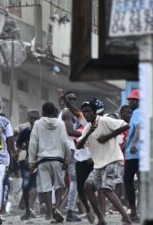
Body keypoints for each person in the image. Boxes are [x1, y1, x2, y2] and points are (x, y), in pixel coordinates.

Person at [76, 100, 132, 225]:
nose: (86, 114)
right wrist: (89, 132)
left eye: (89, 111)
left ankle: (127, 220)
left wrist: (108, 136)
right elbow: (79, 145)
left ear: (94, 111)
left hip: (113, 160)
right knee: (88, 187)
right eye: (84, 112)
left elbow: (125, 125)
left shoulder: (105, 120)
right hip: (99, 164)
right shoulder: (87, 127)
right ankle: (101, 219)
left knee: (106, 190)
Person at [29, 102, 71, 223]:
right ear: (54, 112)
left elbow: (33, 143)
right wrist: (67, 159)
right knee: (59, 186)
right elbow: (64, 142)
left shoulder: (37, 124)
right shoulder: (61, 124)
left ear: (42, 112)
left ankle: (51, 215)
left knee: (46, 188)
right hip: (57, 160)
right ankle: (57, 208)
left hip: (42, 161)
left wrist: (32, 162)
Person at [58, 91, 85, 222]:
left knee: (59, 181)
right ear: (65, 101)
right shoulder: (68, 112)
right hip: (69, 149)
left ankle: (56, 210)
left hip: (60, 149)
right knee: (75, 180)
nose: (73, 101)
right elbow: (70, 131)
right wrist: (86, 133)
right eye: (70, 99)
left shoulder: (64, 113)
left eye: (75, 99)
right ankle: (69, 211)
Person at [16, 110, 39, 220]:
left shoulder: (42, 132)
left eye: (35, 118)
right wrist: (23, 147)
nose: (33, 120)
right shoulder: (25, 132)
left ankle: (29, 209)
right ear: (28, 119)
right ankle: (27, 209)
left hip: (40, 162)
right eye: (31, 118)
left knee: (35, 186)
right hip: (26, 162)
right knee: (26, 185)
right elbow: (18, 145)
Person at [123, 89, 141, 222]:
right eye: (130, 99)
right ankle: (135, 211)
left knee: (128, 181)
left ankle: (134, 211)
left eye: (133, 99)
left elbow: (139, 127)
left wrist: (134, 143)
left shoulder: (138, 112)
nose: (130, 101)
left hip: (135, 153)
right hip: (137, 153)